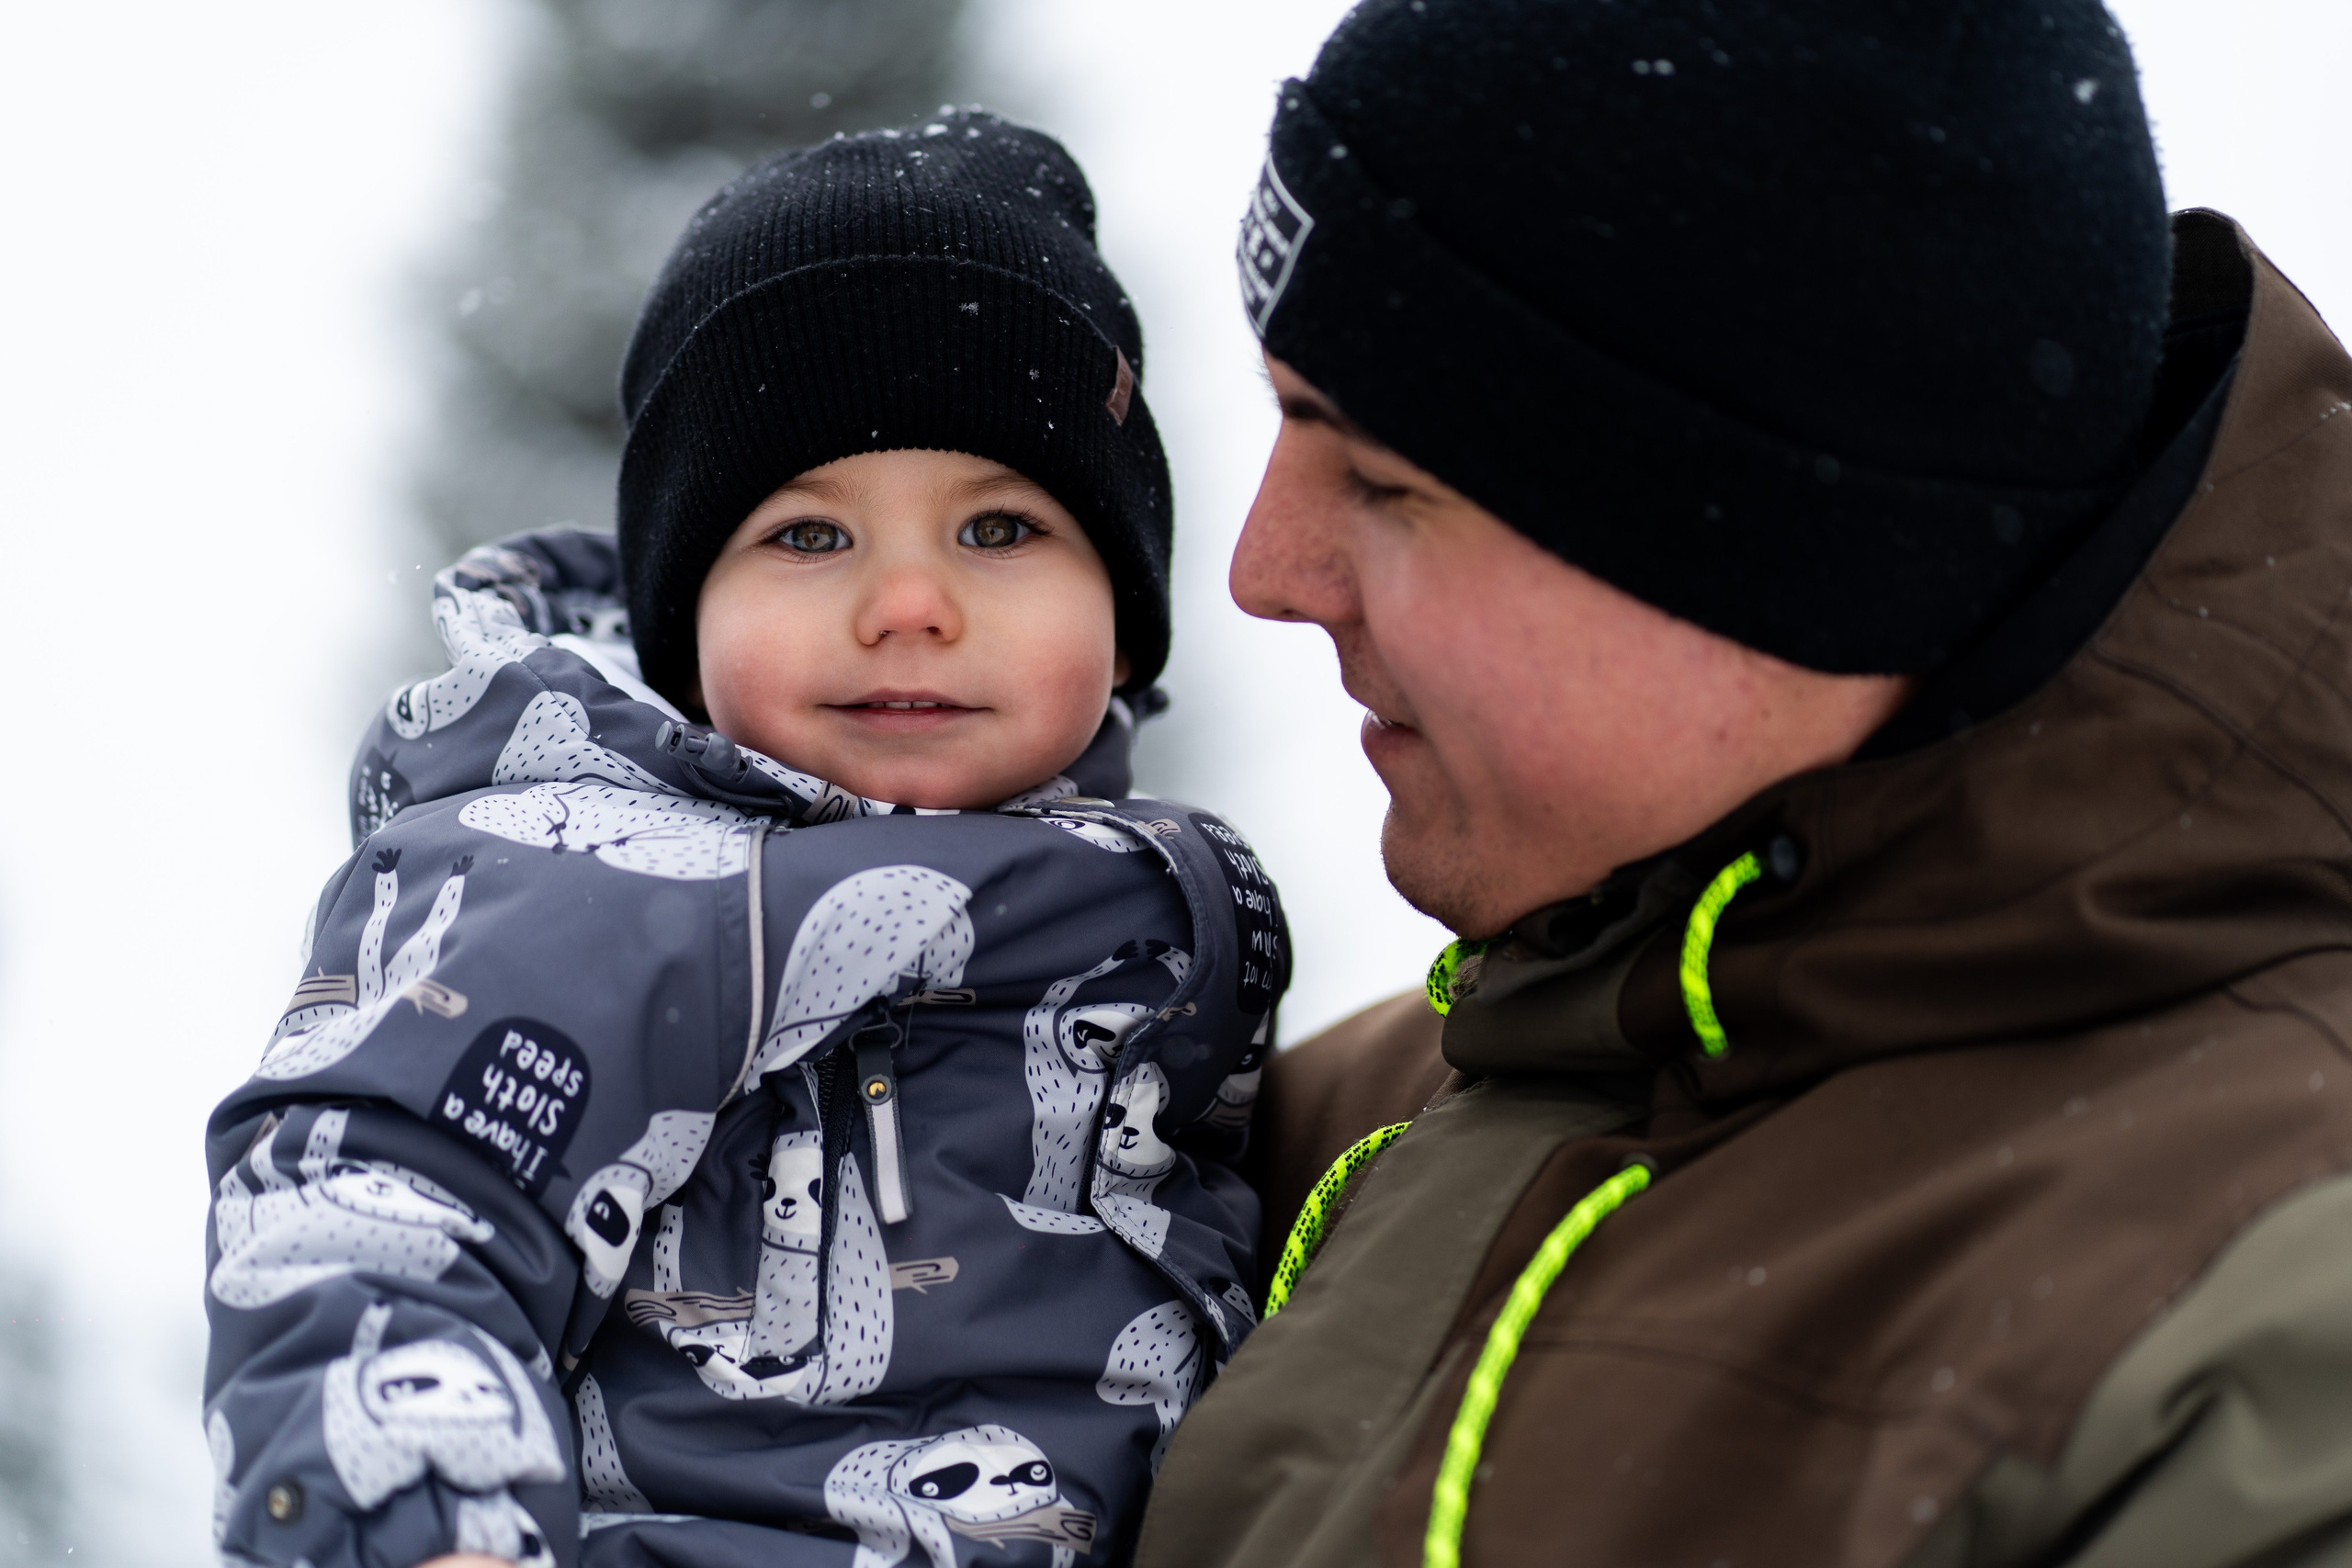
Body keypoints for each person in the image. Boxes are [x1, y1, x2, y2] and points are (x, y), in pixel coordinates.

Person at [1136, 3, 2352, 1566]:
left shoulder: (2259, 1335)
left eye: (1380, 477)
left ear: (1777, 560)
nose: (1262, 570)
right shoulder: (1351, 1097)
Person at [202, 110, 1287, 1568]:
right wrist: (426, 1519)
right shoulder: (593, 876)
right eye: (810, 536)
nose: (911, 603)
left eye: (1001, 529)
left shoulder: (1166, 920)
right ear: (683, 613)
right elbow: (379, 1195)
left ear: (1122, 600)